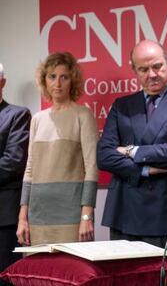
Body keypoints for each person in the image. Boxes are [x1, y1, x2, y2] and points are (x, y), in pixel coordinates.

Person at [97, 40, 167, 269]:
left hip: (166, 212)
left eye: (157, 66)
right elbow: (104, 156)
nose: (152, 74)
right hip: (124, 212)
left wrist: (129, 150)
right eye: (143, 69)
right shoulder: (122, 105)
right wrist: (144, 169)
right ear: (134, 70)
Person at [16, 52, 99, 246]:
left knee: (73, 273)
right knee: (41, 273)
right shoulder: (37, 119)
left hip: (73, 216)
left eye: (64, 77)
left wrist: (86, 216)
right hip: (38, 216)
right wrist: (22, 217)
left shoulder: (83, 115)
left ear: (73, 80)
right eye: (52, 76)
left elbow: (92, 167)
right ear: (44, 80)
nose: (58, 83)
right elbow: (30, 170)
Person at [0, 63, 30, 283]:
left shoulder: (17, 115)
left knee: (6, 278)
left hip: (4, 218)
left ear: (2, 83)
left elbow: (13, 162)